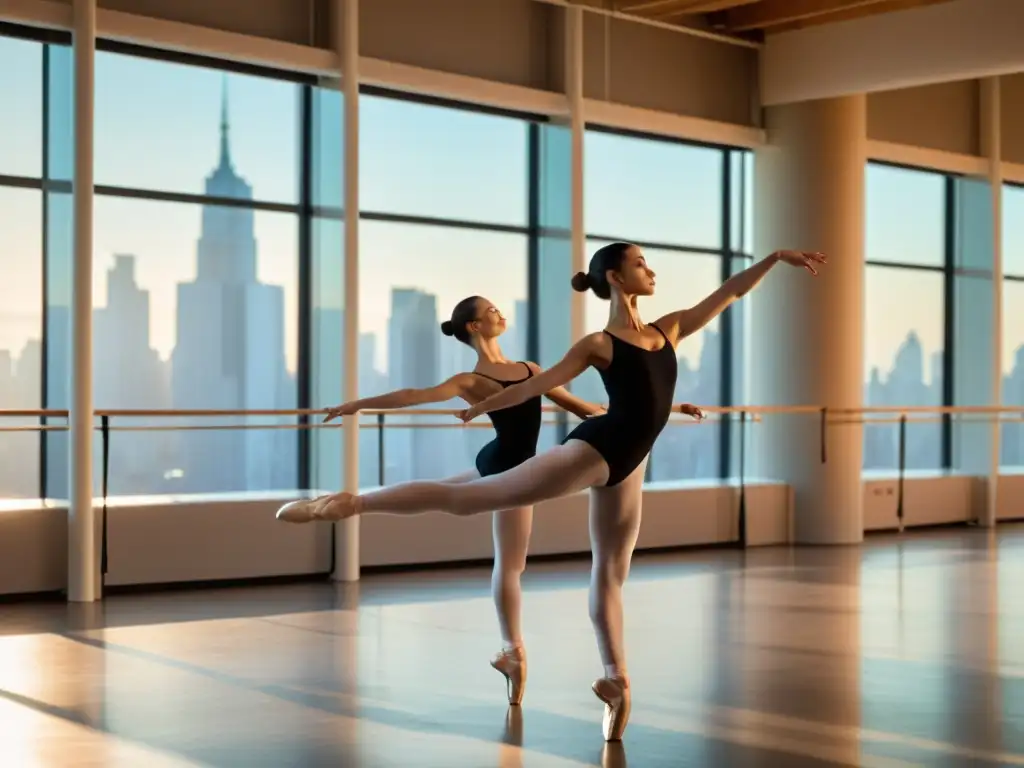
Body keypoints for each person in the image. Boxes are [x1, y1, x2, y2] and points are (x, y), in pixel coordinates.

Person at [278, 243, 824, 741]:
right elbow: (541, 386)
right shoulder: (598, 343)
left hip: (632, 460)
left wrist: (774, 259)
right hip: (593, 451)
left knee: (611, 573)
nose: (652, 271)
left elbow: (728, 294)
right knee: (467, 499)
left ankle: (616, 682)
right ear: (614, 276)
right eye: (640, 264)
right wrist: (482, 406)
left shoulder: (671, 329)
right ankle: (348, 503)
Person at [308, 296, 606, 707]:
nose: (499, 312)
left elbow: (584, 409)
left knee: (458, 507)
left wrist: (664, 408)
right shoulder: (470, 381)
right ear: (474, 327)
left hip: (504, 461)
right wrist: (356, 405)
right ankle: (512, 650)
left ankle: (510, 652)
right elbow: (415, 395)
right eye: (490, 311)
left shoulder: (530, 371)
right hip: (507, 467)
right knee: (509, 561)